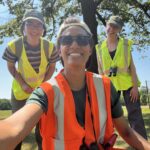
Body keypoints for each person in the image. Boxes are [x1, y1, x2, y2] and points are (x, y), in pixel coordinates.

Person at [0, 16, 150, 150]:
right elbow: (14, 128)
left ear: (90, 49)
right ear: (59, 50)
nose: (75, 45)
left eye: (82, 40)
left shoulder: (105, 86)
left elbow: (126, 131)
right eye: (66, 40)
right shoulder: (45, 92)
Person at [2, 9, 59, 150]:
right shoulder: (13, 46)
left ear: (43, 29)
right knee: (16, 129)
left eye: (38, 25)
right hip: (20, 92)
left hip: (41, 91)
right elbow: (10, 67)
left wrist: (43, 85)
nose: (34, 28)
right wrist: (22, 83)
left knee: (42, 129)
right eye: (30, 24)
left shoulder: (50, 47)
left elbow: (51, 68)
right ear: (23, 28)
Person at [96, 15, 147, 140]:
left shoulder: (125, 44)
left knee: (135, 116)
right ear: (105, 26)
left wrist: (135, 87)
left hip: (128, 85)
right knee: (106, 116)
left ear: (119, 29)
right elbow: (101, 71)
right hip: (110, 86)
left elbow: (132, 68)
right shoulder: (99, 48)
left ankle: (142, 145)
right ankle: (104, 143)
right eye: (110, 25)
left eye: (115, 27)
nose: (111, 29)